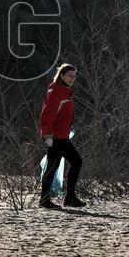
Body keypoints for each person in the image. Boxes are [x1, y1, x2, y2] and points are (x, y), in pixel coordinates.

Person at [38, 63, 86, 208]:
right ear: (62, 75)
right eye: (69, 75)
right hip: (56, 137)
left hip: (60, 136)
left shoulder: (63, 91)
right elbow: (47, 114)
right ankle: (68, 197)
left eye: (74, 76)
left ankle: (46, 199)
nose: (72, 78)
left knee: (52, 166)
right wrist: (47, 135)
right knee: (76, 161)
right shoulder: (57, 92)